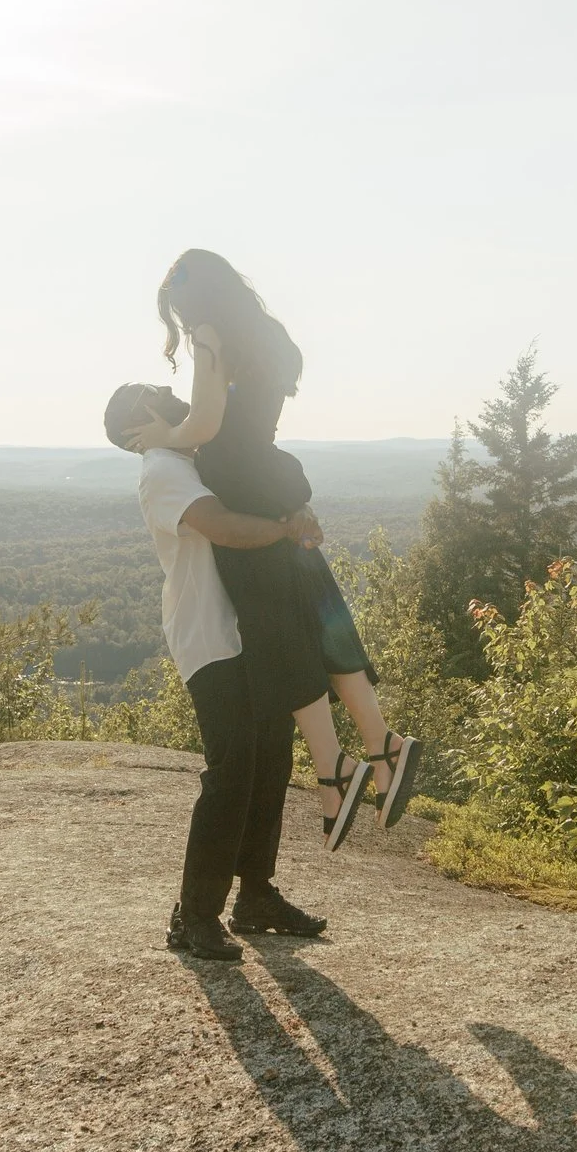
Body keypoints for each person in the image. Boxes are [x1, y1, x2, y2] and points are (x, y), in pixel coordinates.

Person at [126, 249, 425, 850]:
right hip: (268, 476)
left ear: (195, 298)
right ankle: (380, 745)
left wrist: (163, 435)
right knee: (319, 613)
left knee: (276, 631)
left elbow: (207, 424)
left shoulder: (211, 332)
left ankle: (337, 769)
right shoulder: (266, 334)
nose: (181, 325)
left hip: (242, 486)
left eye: (179, 310)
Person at [107, 380, 333, 963]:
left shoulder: (198, 454)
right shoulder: (162, 470)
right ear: (144, 418)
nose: (170, 389)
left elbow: (262, 485)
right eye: (155, 390)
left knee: (271, 761)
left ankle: (255, 896)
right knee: (232, 767)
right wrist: (286, 529)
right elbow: (226, 527)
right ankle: (194, 915)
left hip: (253, 631)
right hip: (210, 638)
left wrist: (293, 509)